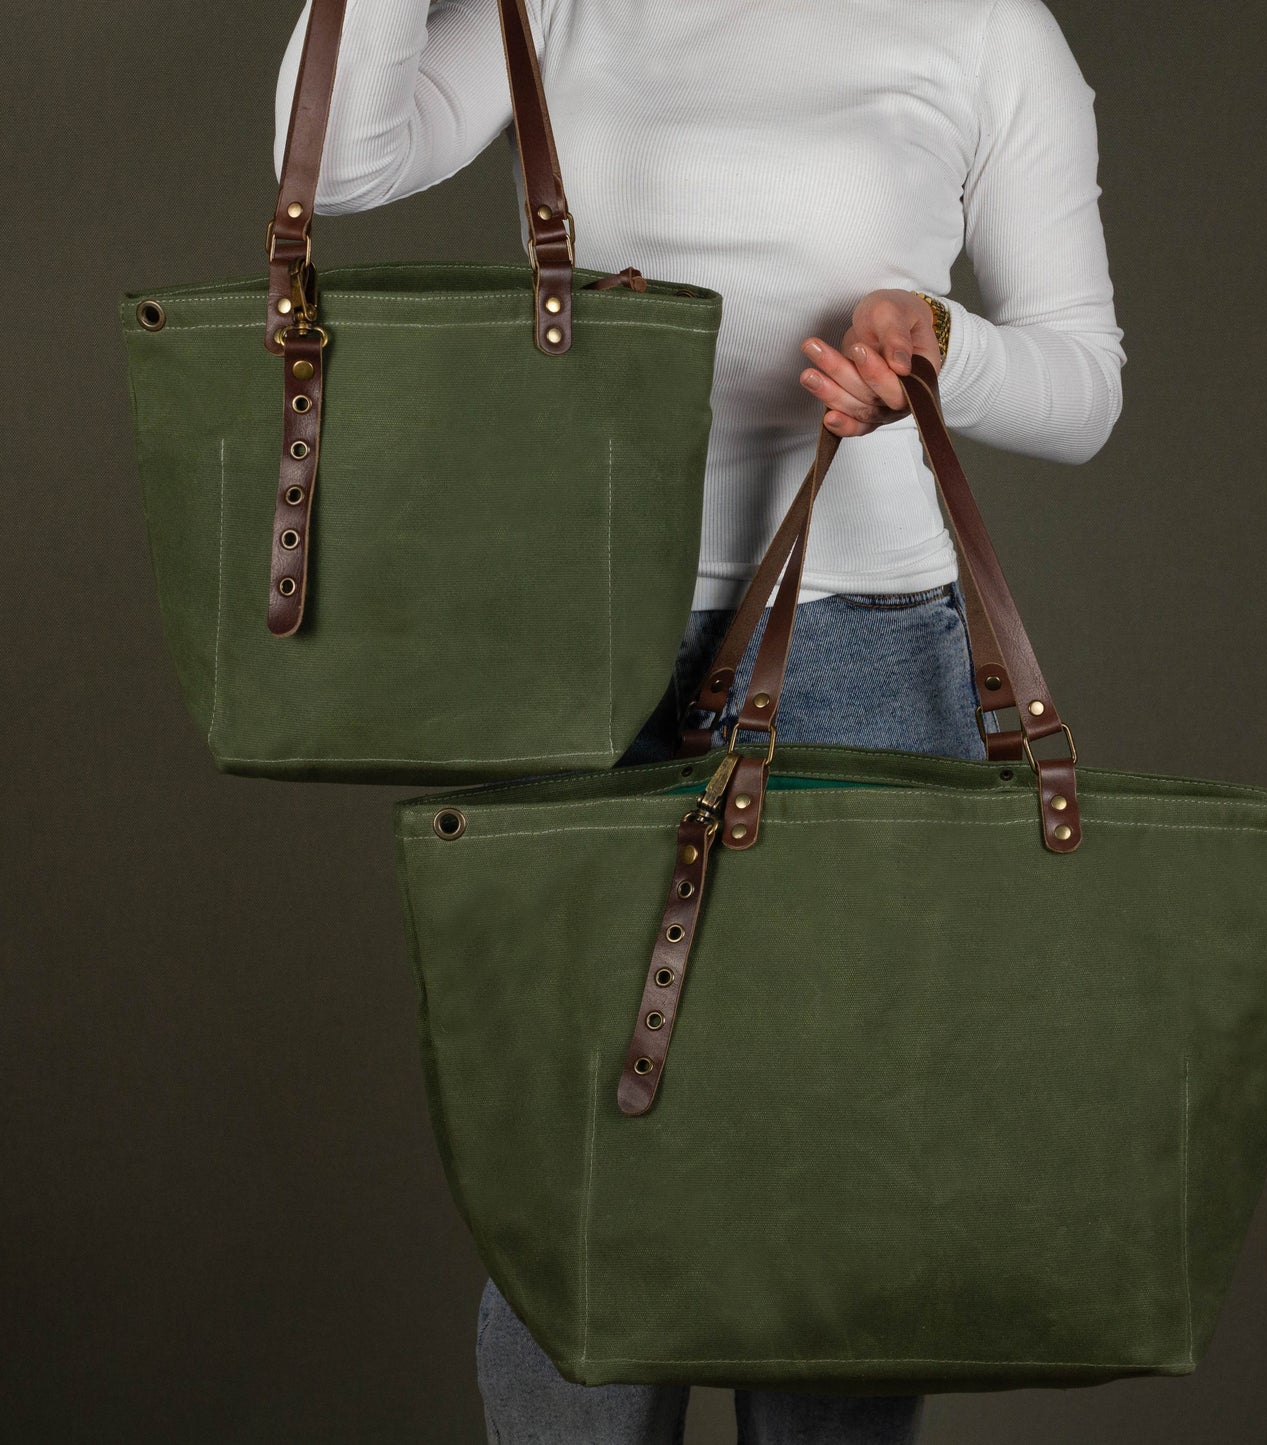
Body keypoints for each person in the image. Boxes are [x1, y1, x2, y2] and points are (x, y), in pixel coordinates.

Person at [275, 1, 1125, 1439]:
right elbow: (345, 167)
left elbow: (1082, 386)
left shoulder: (983, 27)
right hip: (578, 658)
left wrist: (937, 349)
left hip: (868, 656)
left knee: (831, 1220)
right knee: (571, 1216)